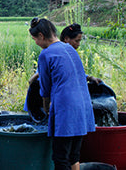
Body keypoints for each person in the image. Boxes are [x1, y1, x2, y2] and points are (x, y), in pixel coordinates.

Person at [29, 18, 95, 170]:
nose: (36, 43)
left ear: (41, 35)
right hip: (83, 107)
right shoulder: (69, 48)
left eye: (35, 39)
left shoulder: (45, 54)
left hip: (67, 109)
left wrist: (46, 108)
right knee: (74, 156)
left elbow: (45, 88)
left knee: (60, 158)